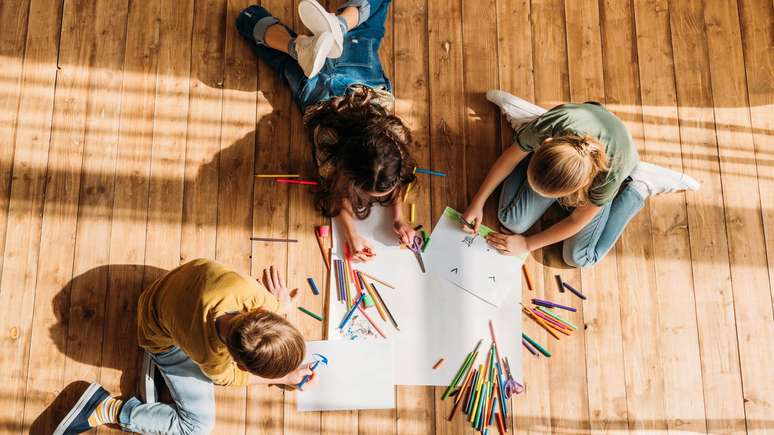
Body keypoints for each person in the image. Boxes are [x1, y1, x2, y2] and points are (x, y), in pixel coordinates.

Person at [236, 0, 417, 263]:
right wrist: (351, 233)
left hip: (361, 78)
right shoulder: (326, 140)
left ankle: (336, 28)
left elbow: (350, 183)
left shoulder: (393, 134)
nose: (386, 198)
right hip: (317, 86)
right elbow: (334, 189)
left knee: (374, 10)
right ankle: (297, 46)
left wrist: (399, 218)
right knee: (249, 21)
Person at [54, 259, 310, 435]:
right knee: (197, 426)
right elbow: (233, 378)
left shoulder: (250, 292)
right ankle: (109, 408)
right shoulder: (211, 358)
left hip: (165, 293)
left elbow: (270, 310)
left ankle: (160, 376)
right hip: (156, 336)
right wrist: (283, 377)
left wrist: (284, 307)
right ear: (239, 363)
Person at [463, 91, 700, 268]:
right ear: (544, 148)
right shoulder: (554, 126)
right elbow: (511, 157)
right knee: (510, 220)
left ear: (576, 191)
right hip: (571, 128)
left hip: (614, 165)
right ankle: (528, 124)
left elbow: (576, 220)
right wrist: (478, 201)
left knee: (580, 258)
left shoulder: (607, 178)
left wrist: (527, 245)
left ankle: (639, 187)